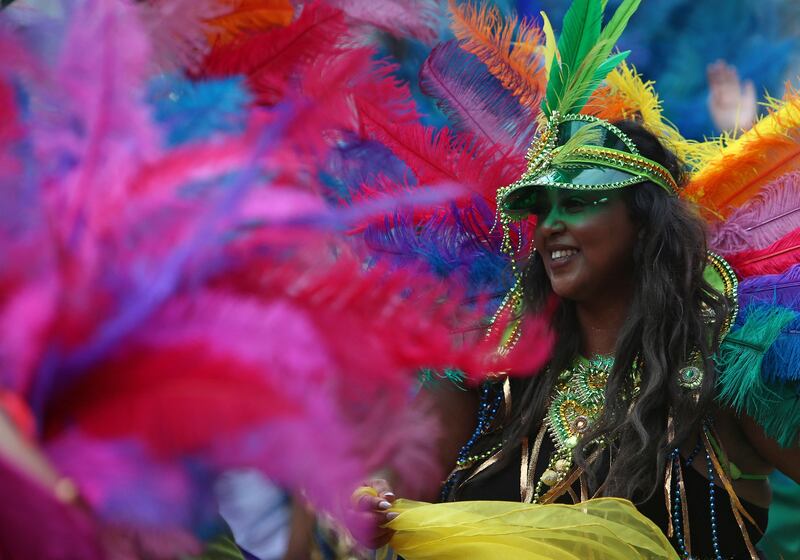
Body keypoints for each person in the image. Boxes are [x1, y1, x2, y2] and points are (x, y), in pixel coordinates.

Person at [357, 1, 800, 558]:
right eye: (541, 206)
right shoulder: (489, 352)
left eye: (579, 202)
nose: (553, 223)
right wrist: (368, 504)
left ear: (643, 225)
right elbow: (392, 486)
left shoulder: (726, 363)